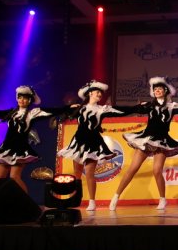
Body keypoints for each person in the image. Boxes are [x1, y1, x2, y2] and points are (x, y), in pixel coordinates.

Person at [109, 77, 178, 211]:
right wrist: (110, 109)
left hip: (162, 141)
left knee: (157, 170)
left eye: (160, 89)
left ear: (165, 91)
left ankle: (163, 199)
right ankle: (115, 197)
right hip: (146, 139)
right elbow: (129, 110)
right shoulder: (148, 106)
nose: (157, 91)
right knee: (133, 168)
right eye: (155, 89)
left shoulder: (171, 107)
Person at [0, 86, 66, 193]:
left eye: (25, 98)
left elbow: (53, 111)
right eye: (20, 97)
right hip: (6, 150)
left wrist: (69, 108)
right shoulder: (11, 113)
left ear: (30, 100)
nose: (22, 100)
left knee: (14, 177)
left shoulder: (32, 114)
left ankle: (26, 201)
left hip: (20, 151)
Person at [57, 80, 136, 211]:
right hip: (79, 143)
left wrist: (137, 107)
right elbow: (62, 113)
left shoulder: (101, 109)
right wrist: (69, 108)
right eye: (97, 92)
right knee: (77, 173)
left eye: (100, 92)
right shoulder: (80, 108)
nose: (99, 94)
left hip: (93, 143)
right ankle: (73, 198)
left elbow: (121, 110)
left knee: (89, 173)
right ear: (90, 93)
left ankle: (92, 202)